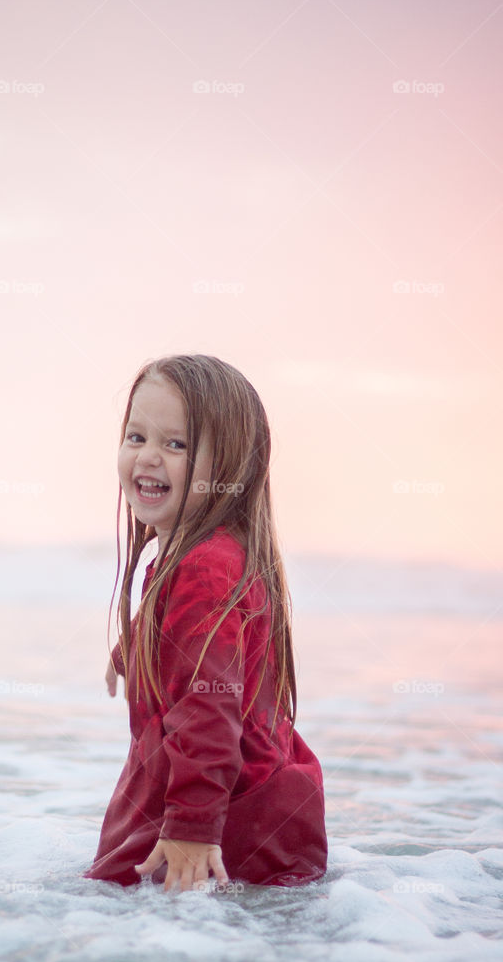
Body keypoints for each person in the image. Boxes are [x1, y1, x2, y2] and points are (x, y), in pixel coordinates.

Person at [83, 354, 327, 894]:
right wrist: (130, 650)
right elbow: (189, 635)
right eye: (136, 436)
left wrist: (192, 828)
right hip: (254, 814)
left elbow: (208, 708)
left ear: (230, 468)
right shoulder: (207, 553)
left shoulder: (205, 567)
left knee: (109, 913)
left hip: (230, 824)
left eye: (177, 444)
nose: (148, 457)